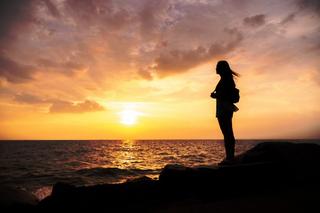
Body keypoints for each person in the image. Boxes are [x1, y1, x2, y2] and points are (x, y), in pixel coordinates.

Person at [210, 60, 239, 165]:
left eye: (217, 66)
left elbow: (225, 95)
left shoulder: (226, 80)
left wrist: (215, 95)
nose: (216, 68)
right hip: (223, 108)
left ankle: (230, 158)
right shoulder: (225, 79)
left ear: (222, 68)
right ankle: (229, 157)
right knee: (227, 133)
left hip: (225, 109)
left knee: (227, 133)